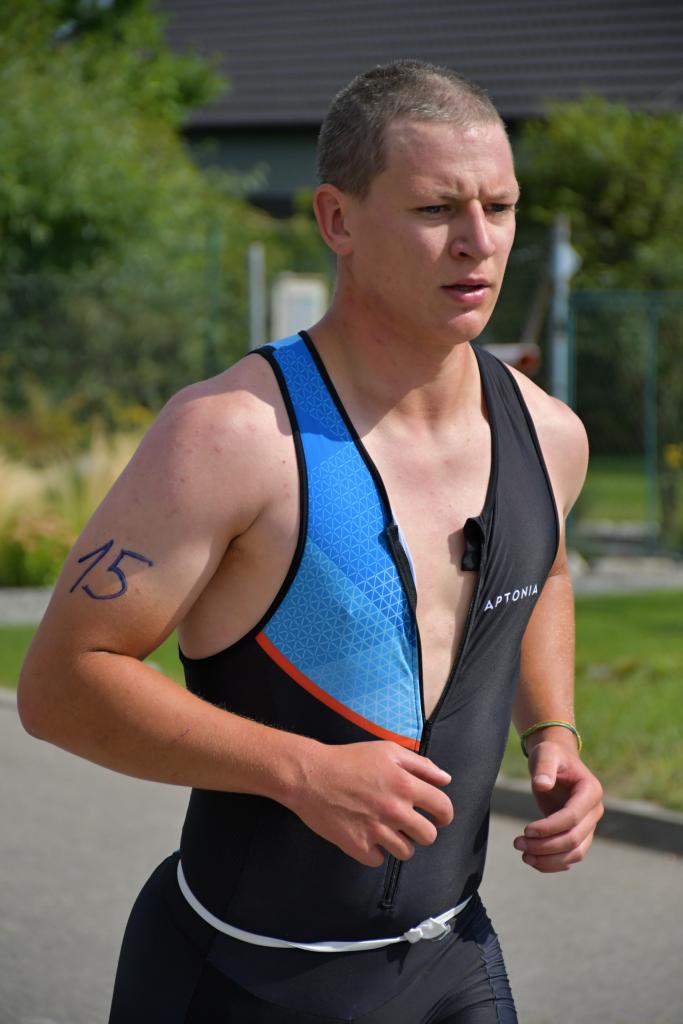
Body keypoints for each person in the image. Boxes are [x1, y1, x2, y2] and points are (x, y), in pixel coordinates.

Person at [18, 59, 604, 1023]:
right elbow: (59, 686)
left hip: (453, 964)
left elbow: (535, 570)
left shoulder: (549, 435)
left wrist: (553, 734)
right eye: (435, 210)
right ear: (337, 219)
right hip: (238, 976)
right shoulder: (230, 437)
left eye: (499, 207)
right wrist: (302, 771)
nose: (478, 242)